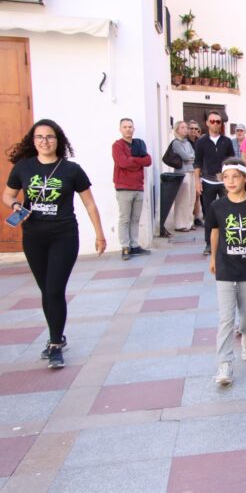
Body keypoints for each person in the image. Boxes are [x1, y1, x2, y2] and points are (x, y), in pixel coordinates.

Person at [3, 119, 106, 368]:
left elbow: (89, 203)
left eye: (50, 137)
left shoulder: (71, 170)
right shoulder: (23, 168)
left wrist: (99, 234)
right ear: (33, 140)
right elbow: (7, 195)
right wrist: (16, 205)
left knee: (54, 290)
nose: (45, 141)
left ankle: (55, 344)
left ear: (58, 141)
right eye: (40, 137)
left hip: (64, 235)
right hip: (34, 236)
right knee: (46, 291)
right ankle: (56, 336)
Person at [208, 158, 246, 385]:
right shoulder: (217, 206)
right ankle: (224, 364)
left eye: (235, 176)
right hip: (224, 266)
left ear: (245, 179)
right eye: (226, 177)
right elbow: (214, 233)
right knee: (225, 317)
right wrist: (213, 259)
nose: (230, 181)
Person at [194, 111, 235, 255]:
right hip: (208, 181)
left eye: (218, 121)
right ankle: (209, 244)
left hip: (225, 183)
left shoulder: (227, 141)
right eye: (213, 121)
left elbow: (232, 162)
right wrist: (197, 183)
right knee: (209, 214)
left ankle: (226, 242)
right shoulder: (201, 142)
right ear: (207, 123)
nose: (216, 124)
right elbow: (197, 163)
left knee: (227, 213)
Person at [112, 118, 152, 260]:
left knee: (135, 218)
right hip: (124, 187)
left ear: (133, 129)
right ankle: (125, 246)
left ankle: (134, 245)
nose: (128, 129)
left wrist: (132, 160)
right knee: (124, 218)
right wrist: (137, 161)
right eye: (125, 127)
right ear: (120, 129)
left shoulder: (139, 144)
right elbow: (122, 163)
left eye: (130, 126)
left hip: (138, 186)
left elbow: (148, 160)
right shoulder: (117, 146)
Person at [169, 121, 196, 232]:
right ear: (177, 130)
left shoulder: (188, 143)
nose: (185, 129)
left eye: (186, 127)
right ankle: (180, 224)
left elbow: (194, 155)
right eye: (182, 127)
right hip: (182, 173)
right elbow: (185, 157)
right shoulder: (176, 143)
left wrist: (190, 157)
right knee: (182, 199)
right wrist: (190, 158)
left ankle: (189, 222)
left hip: (191, 171)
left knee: (191, 199)